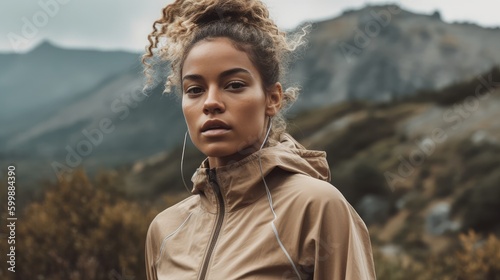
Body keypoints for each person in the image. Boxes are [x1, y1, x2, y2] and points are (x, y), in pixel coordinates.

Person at [142, 0, 376, 279]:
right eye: (195, 89)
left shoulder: (316, 207)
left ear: (272, 98)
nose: (211, 102)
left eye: (235, 85)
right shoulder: (165, 231)